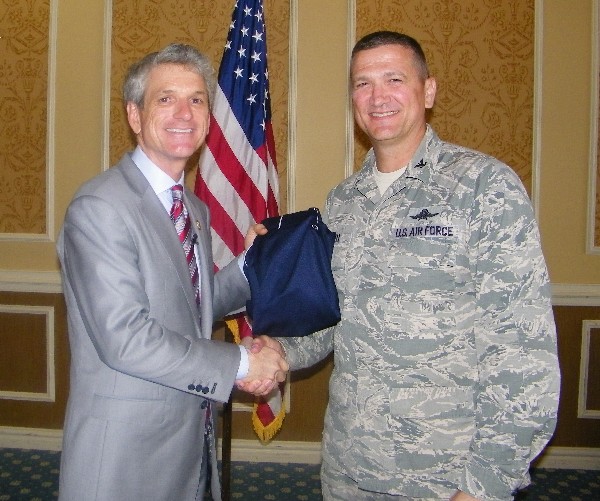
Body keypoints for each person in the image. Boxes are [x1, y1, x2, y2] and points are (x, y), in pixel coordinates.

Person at [243, 31, 560, 500]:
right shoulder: (343, 203)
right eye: (363, 83)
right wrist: (277, 352)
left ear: (428, 91)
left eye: (394, 78)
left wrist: (485, 485)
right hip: (349, 468)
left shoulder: (482, 187)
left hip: (445, 476)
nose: (378, 96)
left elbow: (521, 350)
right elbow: (329, 319)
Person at [56, 43, 287, 501]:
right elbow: (126, 338)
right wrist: (242, 362)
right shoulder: (100, 207)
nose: (185, 112)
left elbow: (193, 304)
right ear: (135, 116)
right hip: (123, 459)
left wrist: (252, 262)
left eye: (197, 99)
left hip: (189, 444)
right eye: (166, 98)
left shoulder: (193, 209)